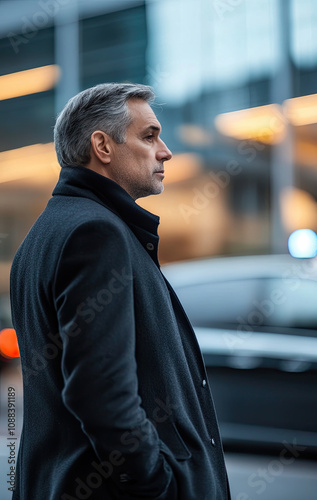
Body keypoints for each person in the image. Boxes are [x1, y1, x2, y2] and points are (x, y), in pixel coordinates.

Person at [10, 83, 231, 500]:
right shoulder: (96, 233)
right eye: (149, 136)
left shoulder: (45, 235)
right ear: (103, 146)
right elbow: (100, 392)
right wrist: (155, 484)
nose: (165, 151)